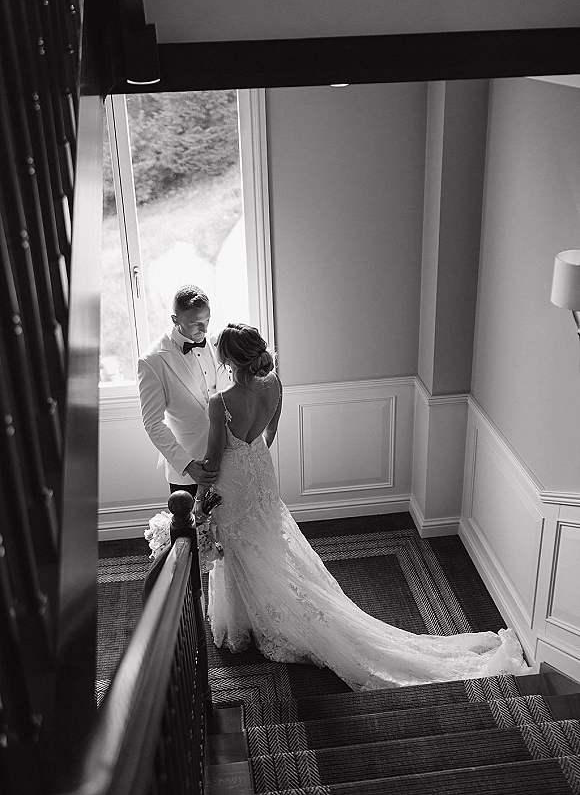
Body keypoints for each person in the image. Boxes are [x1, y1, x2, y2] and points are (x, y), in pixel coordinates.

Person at [194, 322, 533, 690]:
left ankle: (255, 620)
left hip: (234, 485)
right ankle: (266, 613)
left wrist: (198, 500)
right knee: (267, 543)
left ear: (228, 359)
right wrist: (250, 455)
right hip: (260, 475)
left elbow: (212, 463)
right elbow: (269, 435)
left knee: (243, 547)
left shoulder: (221, 403)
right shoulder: (274, 383)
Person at [138, 284, 231, 498]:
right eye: (196, 323)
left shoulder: (219, 342)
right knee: (192, 530)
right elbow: (152, 423)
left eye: (207, 320)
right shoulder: (152, 361)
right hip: (190, 467)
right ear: (175, 320)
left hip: (229, 457)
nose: (205, 330)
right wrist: (188, 465)